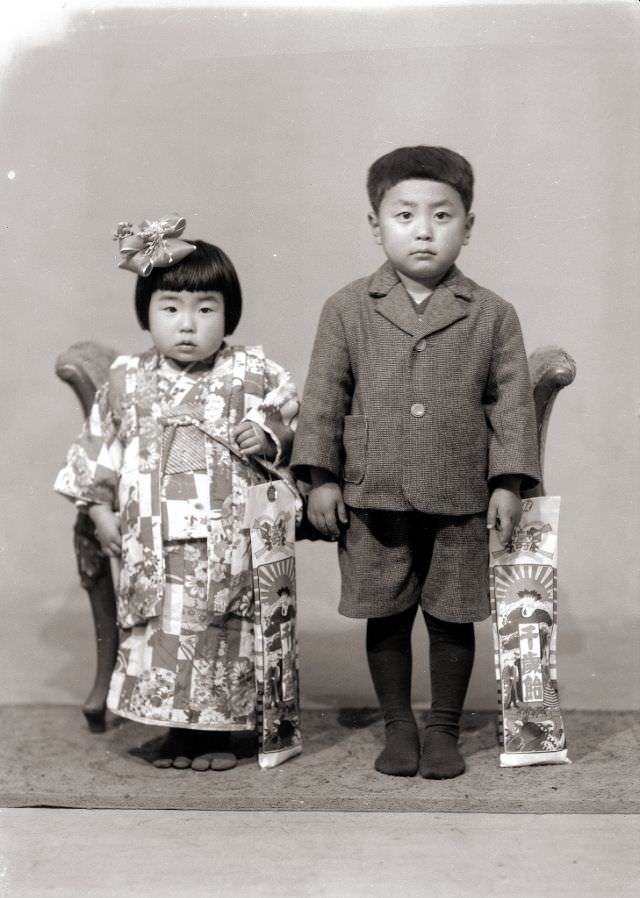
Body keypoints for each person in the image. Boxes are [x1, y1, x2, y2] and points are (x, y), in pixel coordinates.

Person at [291, 146, 540, 779]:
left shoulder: (492, 314)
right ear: (376, 224)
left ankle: (444, 730)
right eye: (405, 215)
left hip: (461, 496)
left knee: (454, 614)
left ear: (468, 225)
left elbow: (510, 405)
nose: (423, 230)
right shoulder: (347, 308)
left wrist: (507, 484)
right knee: (388, 610)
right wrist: (320, 478)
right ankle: (399, 728)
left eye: (442, 215)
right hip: (375, 491)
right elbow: (323, 398)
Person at [55, 215, 299, 771]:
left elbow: (291, 427)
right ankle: (175, 732)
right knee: (163, 626)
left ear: (228, 314)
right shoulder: (126, 377)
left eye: (205, 309)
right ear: (147, 312)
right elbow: (100, 449)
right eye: (171, 308)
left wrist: (264, 436)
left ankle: (222, 733)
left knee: (223, 628)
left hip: (228, 537)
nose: (187, 324)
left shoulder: (253, 373)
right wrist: (98, 508)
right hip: (154, 537)